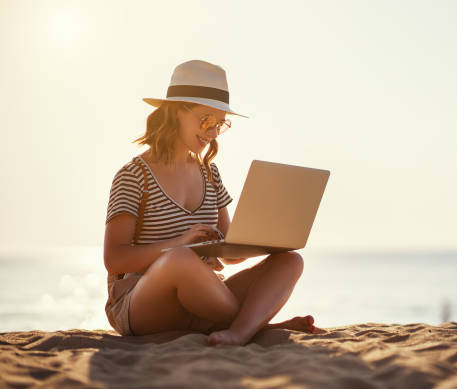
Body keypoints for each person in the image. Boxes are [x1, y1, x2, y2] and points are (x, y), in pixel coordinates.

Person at [103, 60, 318, 346]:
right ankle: (256, 327)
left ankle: (240, 330)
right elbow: (114, 259)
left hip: (202, 300)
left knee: (291, 261)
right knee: (180, 260)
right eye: (206, 120)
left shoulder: (210, 174)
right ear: (176, 112)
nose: (213, 133)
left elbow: (229, 254)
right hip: (140, 301)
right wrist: (179, 244)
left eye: (220, 124)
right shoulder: (133, 175)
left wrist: (265, 239)